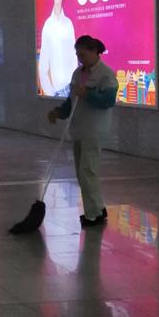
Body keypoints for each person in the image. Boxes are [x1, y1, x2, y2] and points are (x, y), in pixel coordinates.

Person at [46, 35, 118, 228]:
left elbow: (108, 100)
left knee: (88, 172)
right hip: (78, 130)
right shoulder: (77, 73)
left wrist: (88, 94)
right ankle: (98, 207)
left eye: (83, 54)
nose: (80, 58)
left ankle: (93, 214)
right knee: (82, 173)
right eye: (77, 55)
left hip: (94, 131)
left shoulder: (106, 74)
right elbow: (72, 101)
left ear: (95, 52)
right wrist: (58, 112)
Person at [38, 0, 76, 97]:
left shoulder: (69, 24)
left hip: (73, 91)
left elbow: (74, 61)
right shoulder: (47, 26)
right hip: (58, 94)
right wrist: (52, 94)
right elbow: (43, 69)